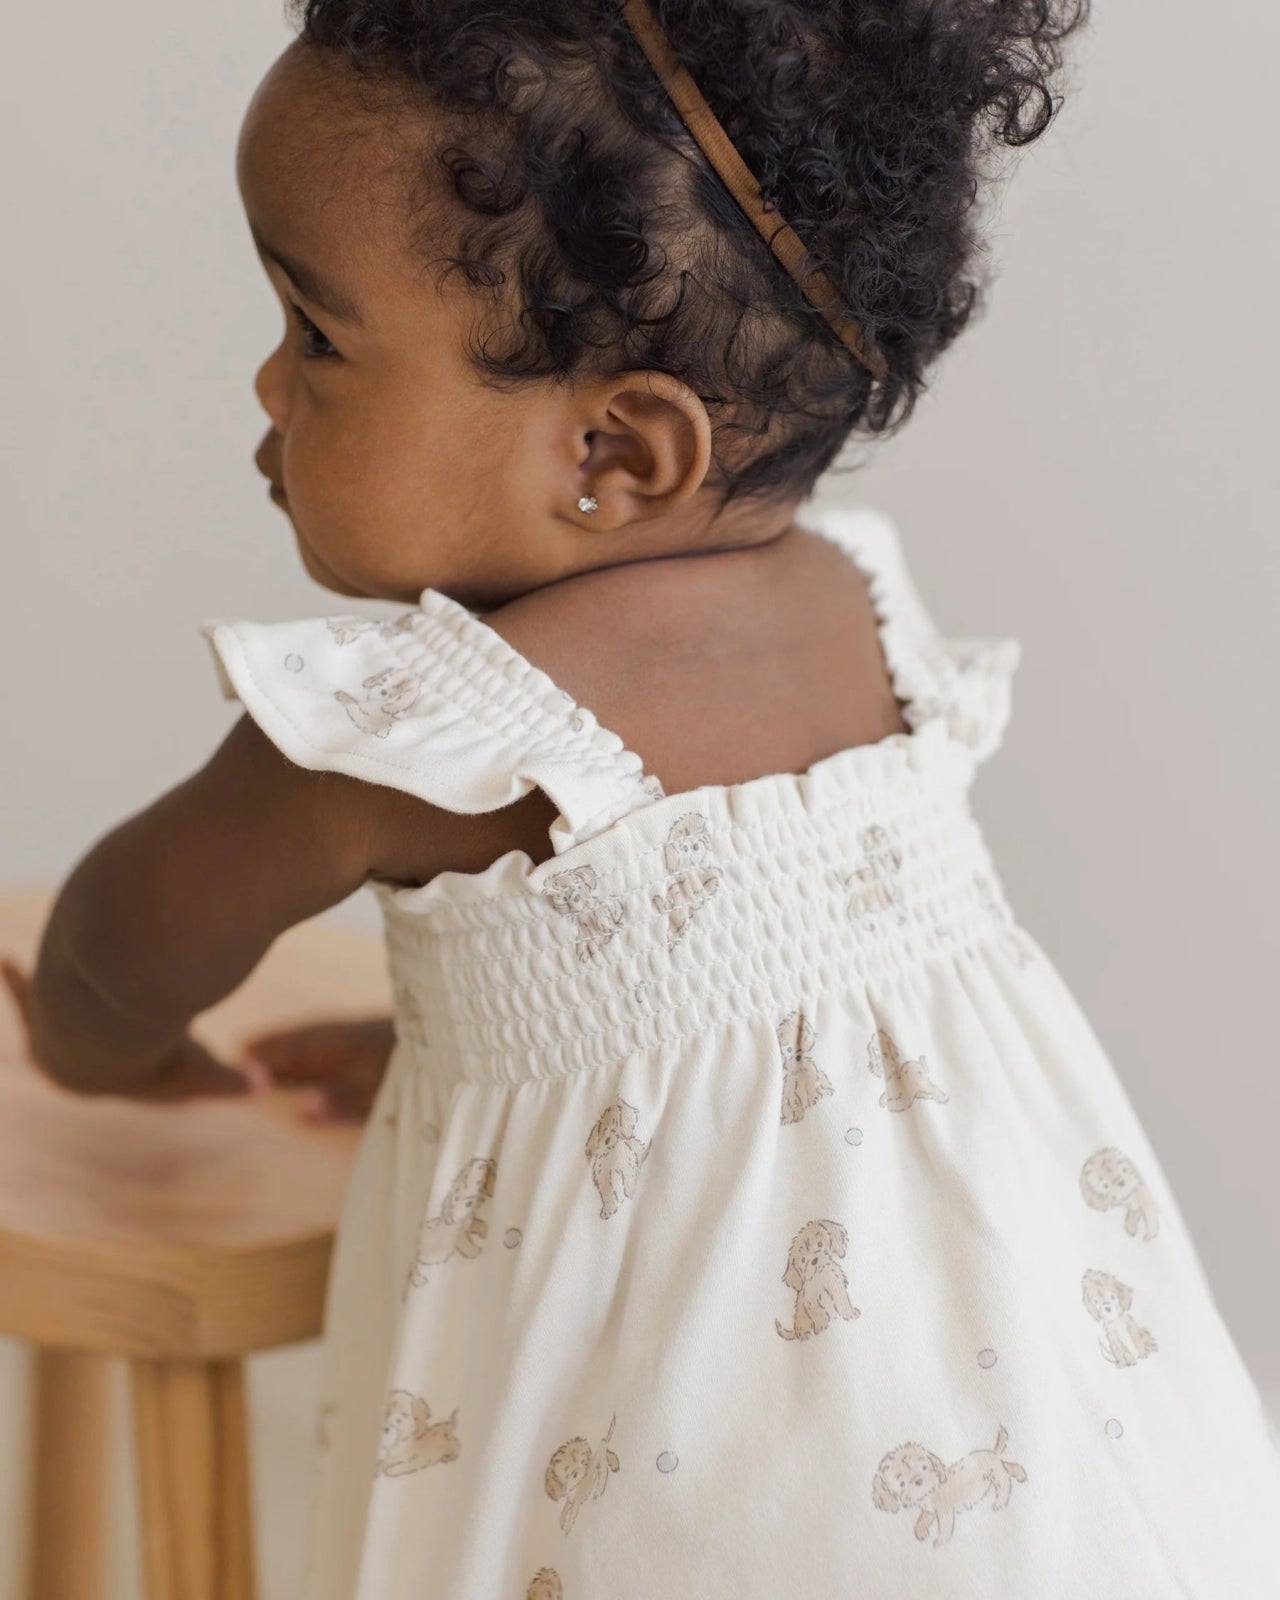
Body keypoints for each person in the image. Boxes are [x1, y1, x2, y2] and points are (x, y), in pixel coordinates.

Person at [5, 3, 1279, 1596]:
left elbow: (115, 948)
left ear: (615, 449)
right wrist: (483, 1050)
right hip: (1058, 1439)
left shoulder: (423, 729)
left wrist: (109, 1056)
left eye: (318, 336)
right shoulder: (864, 615)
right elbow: (725, 1037)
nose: (266, 382)